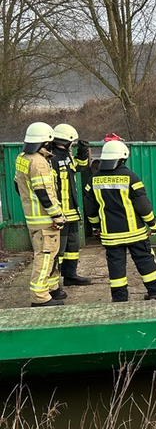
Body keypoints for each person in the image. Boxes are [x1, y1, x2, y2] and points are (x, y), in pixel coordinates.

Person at [83, 140, 156, 302]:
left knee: (115, 265)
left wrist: (96, 226)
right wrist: (152, 224)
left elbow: (90, 207)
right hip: (135, 233)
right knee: (144, 259)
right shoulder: (130, 177)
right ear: (123, 158)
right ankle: (155, 289)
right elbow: (143, 205)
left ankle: (120, 298)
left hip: (110, 234)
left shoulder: (93, 179)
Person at [14, 122, 68, 307]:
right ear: (44, 142)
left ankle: (52, 288)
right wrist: (57, 216)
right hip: (45, 220)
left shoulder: (22, 157)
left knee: (51, 255)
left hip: (34, 218)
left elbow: (17, 185)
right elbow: (43, 192)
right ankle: (39, 298)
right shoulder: (39, 162)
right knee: (45, 257)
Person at [50, 123, 92, 286]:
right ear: (65, 141)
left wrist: (82, 152)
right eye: (72, 142)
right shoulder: (51, 158)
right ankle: (54, 281)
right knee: (59, 250)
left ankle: (70, 275)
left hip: (72, 211)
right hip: (59, 213)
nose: (73, 144)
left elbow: (80, 167)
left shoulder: (66, 156)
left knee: (72, 246)